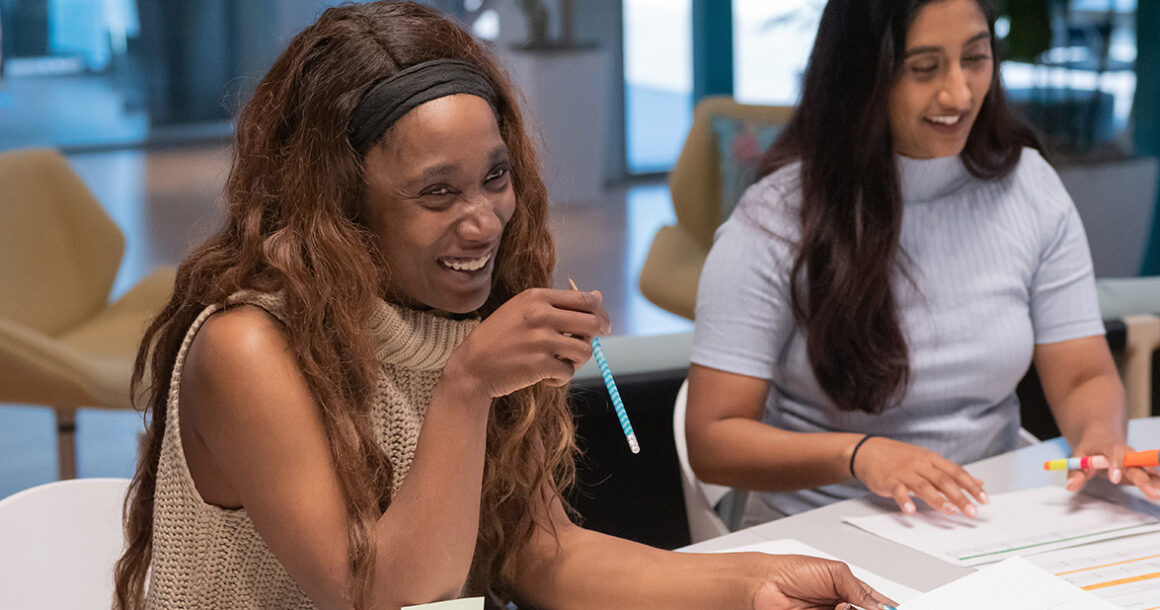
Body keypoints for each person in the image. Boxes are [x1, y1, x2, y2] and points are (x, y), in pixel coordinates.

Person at [111, 3, 895, 609]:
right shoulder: (250, 347)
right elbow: (381, 595)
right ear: (340, 207)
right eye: (436, 193)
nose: (485, 221)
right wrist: (466, 389)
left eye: (495, 178)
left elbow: (543, 554)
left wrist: (757, 578)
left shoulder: (457, 307)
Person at [686, 0, 1160, 527]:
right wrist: (859, 454)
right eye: (924, 68)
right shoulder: (775, 218)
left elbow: (1082, 377)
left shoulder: (1030, 188)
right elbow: (713, 437)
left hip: (988, 520)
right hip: (820, 531)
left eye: (976, 59)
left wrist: (1101, 439)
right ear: (863, 76)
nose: (959, 94)